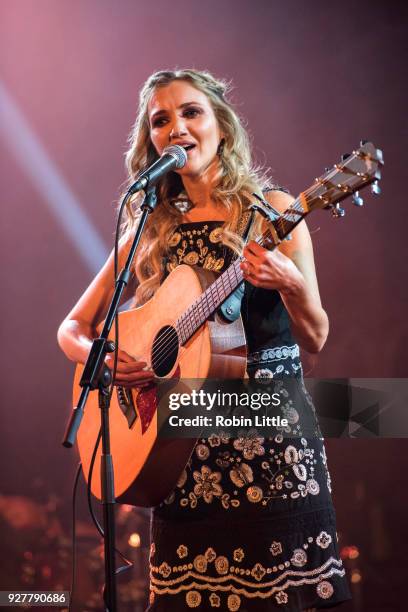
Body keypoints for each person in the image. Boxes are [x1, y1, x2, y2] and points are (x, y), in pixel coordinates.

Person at [58, 69, 351, 611]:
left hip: (270, 444)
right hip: (180, 452)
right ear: (150, 140)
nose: (177, 128)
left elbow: (316, 337)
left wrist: (291, 285)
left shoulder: (276, 211)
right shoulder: (149, 228)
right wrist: (101, 359)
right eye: (161, 120)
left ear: (222, 126)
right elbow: (72, 328)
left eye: (191, 112)